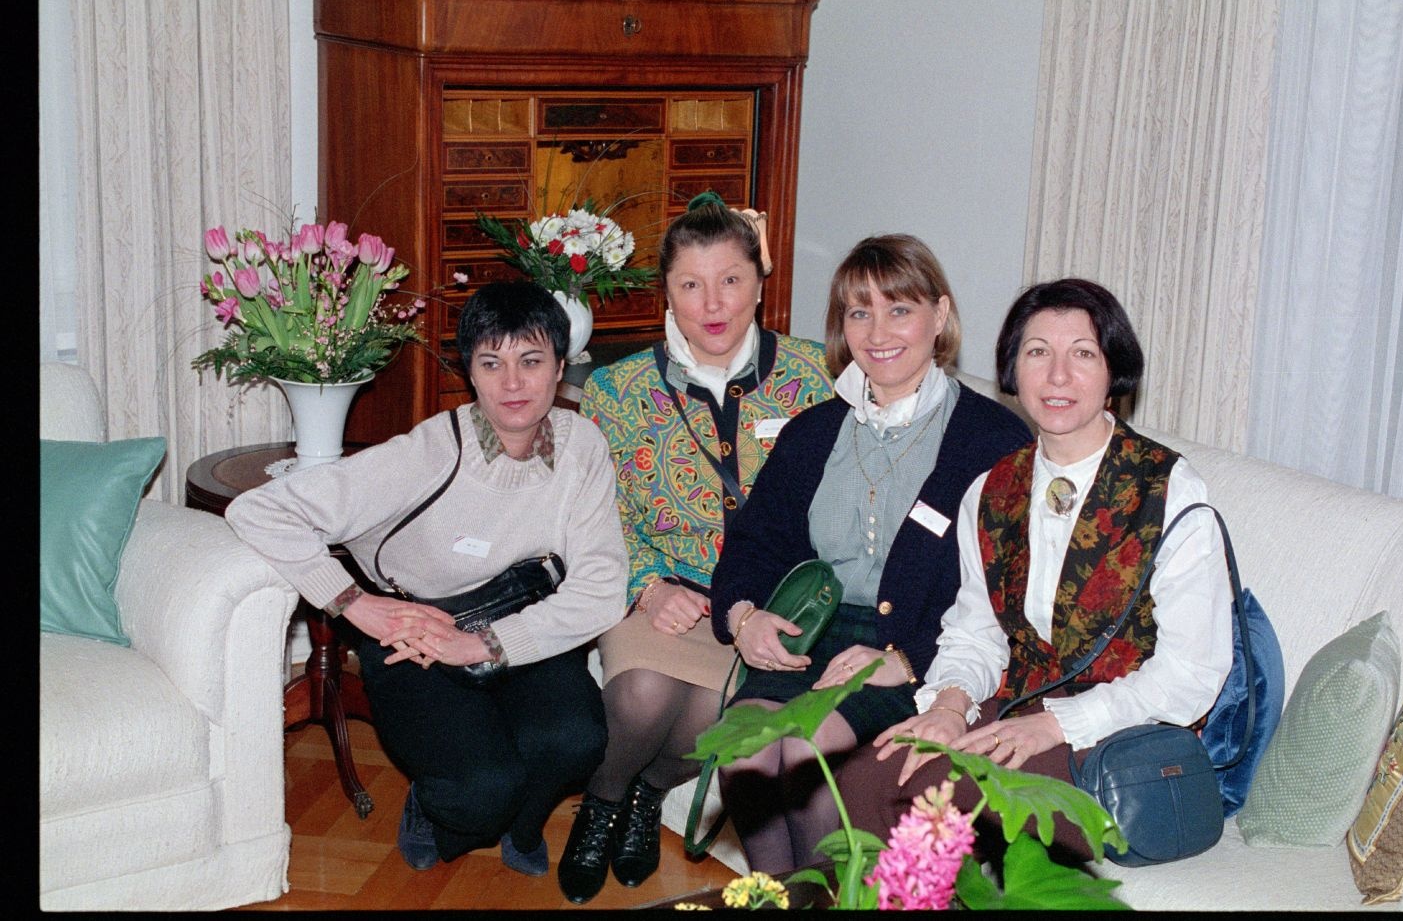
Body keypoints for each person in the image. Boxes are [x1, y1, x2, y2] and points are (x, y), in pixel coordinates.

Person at [225, 279, 628, 877]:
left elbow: (600, 587)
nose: (513, 384)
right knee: (479, 793)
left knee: (575, 740)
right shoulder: (431, 452)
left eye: (532, 361)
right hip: (414, 635)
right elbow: (258, 509)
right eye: (492, 363)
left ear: (561, 367)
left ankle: (521, 825)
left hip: (517, 617)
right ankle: (445, 812)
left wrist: (488, 645)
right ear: (470, 372)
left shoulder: (582, 446)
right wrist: (354, 604)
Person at [839, 277, 1234, 865]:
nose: (1057, 376)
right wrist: (949, 706)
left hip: (1122, 737)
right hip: (1019, 709)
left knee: (947, 800)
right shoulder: (992, 489)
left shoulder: (1170, 492)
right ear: (1012, 369)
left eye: (1082, 353)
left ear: (1113, 373)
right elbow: (977, 629)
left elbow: (1192, 673)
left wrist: (1057, 725)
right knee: (868, 774)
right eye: (1037, 352)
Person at [705, 234, 1033, 874]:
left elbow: (1001, 593)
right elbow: (754, 540)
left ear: (939, 316)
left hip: (908, 650)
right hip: (807, 635)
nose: (878, 331)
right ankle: (780, 894)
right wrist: (746, 618)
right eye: (859, 312)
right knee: (744, 754)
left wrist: (905, 658)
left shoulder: (992, 439)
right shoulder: (815, 431)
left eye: (899, 309)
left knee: (805, 755)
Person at [558, 192, 834, 903]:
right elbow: (597, 513)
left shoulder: (814, 376)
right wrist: (649, 585)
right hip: (659, 594)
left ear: (760, 283)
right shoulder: (614, 391)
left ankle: (649, 791)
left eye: (731, 279)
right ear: (667, 295)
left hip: (763, 607)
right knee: (645, 694)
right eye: (691, 284)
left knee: (715, 717)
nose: (713, 303)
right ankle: (605, 796)